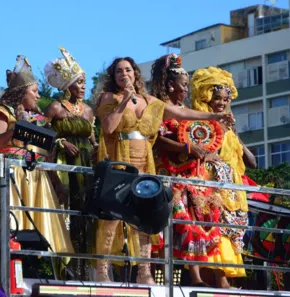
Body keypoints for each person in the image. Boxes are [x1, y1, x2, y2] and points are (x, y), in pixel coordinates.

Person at [94, 57, 234, 285]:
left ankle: (144, 272)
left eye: (128, 70)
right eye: (118, 71)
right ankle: (103, 270)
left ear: (135, 74)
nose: (124, 74)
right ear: (113, 76)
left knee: (144, 218)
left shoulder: (150, 100)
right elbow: (108, 127)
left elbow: (182, 114)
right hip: (120, 161)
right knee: (111, 219)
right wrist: (124, 102)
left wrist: (214, 116)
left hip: (144, 163)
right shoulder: (109, 97)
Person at [0, 55, 73, 256]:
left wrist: (57, 183)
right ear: (21, 92)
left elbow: (45, 154)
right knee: (13, 228)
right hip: (10, 174)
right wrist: (17, 129)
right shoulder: (0, 111)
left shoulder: (38, 119)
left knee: (41, 234)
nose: (38, 96)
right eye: (35, 91)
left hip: (35, 176)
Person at [150, 54, 223, 287]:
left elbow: (201, 140)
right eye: (183, 86)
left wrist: (205, 152)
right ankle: (162, 275)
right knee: (168, 224)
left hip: (190, 174)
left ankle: (196, 277)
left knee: (196, 221)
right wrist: (185, 146)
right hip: (167, 172)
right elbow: (157, 140)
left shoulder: (188, 111)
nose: (186, 91)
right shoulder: (159, 108)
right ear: (170, 85)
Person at [189, 66, 257, 288]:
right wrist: (219, 129)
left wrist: (235, 135)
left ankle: (220, 280)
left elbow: (252, 162)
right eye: (217, 98)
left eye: (226, 99)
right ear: (207, 98)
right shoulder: (203, 124)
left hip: (233, 186)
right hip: (213, 184)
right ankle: (221, 279)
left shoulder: (230, 129)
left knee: (231, 231)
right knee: (217, 228)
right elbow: (205, 152)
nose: (222, 103)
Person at [44, 47, 98, 280]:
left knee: (85, 215)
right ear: (68, 85)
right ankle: (64, 268)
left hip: (85, 166)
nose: (84, 86)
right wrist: (61, 142)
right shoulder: (55, 108)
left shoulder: (88, 111)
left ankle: (84, 267)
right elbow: (41, 135)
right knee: (66, 211)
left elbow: (93, 142)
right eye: (79, 82)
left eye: (85, 82)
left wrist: (99, 154)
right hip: (64, 163)